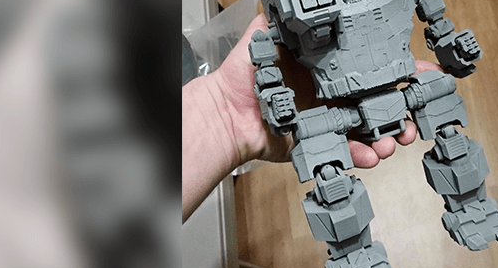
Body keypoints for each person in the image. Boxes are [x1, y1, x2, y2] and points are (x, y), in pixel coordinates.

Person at [182, 13, 440, 222]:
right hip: (321, 115)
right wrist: (224, 111)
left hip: (353, 98)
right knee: (334, 188)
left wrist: (221, 112)